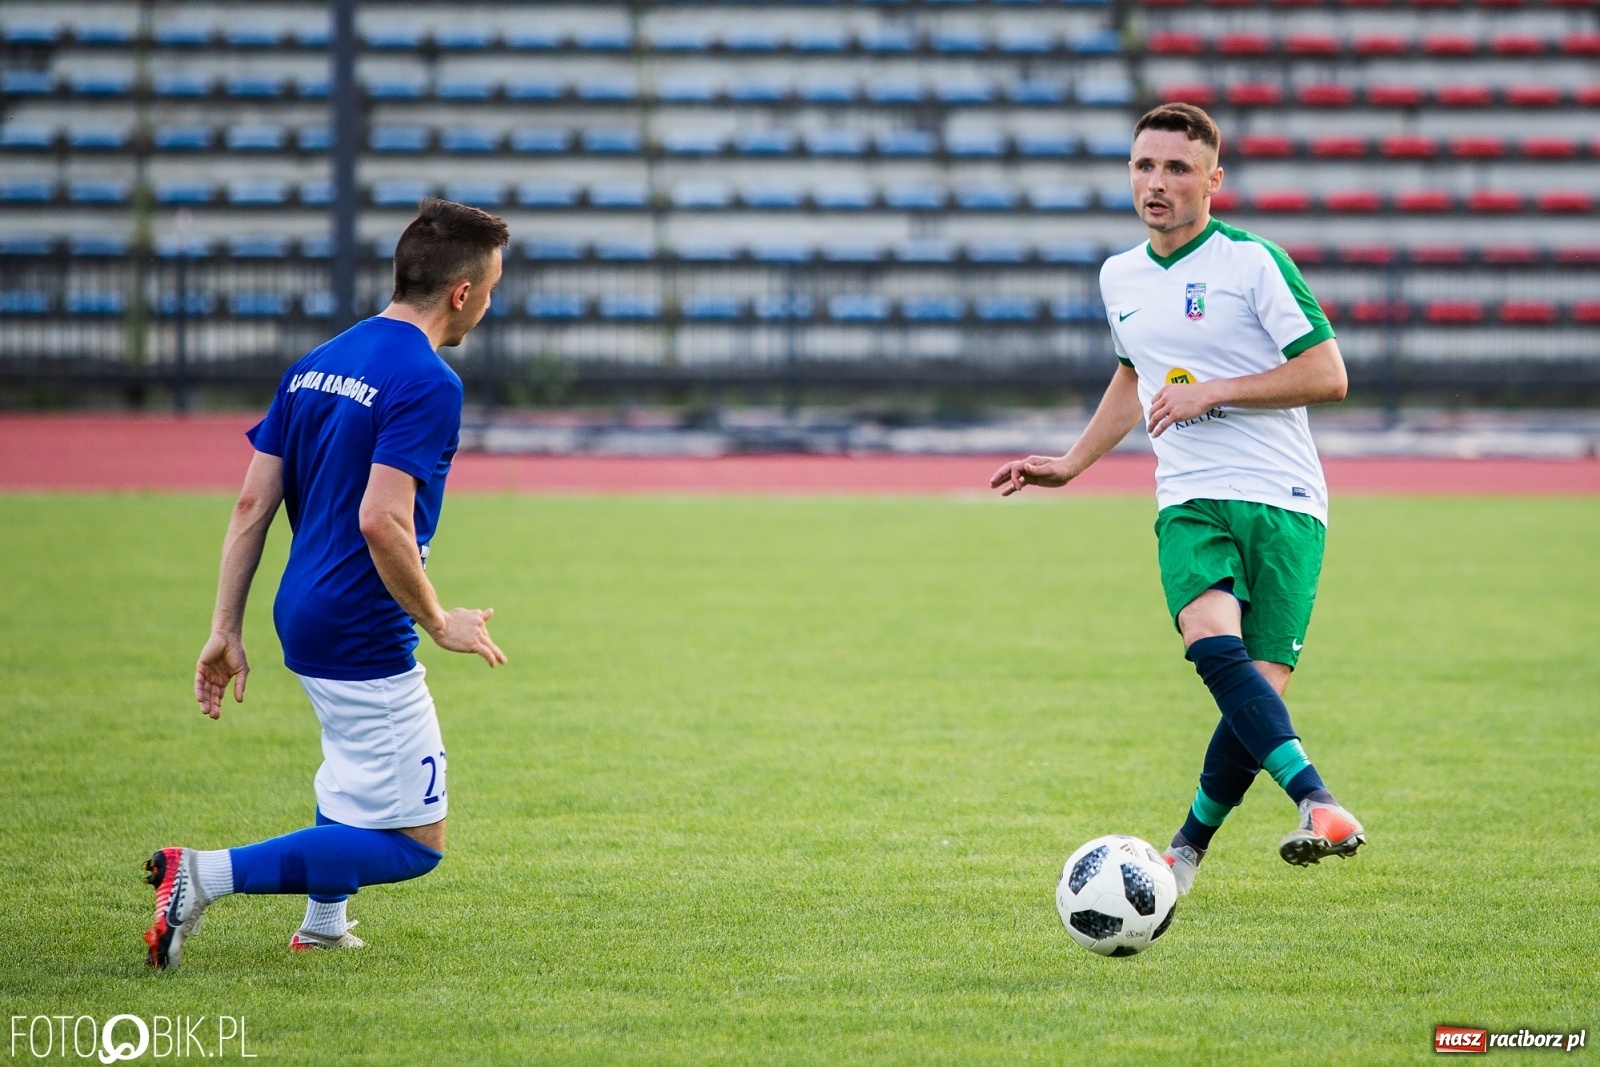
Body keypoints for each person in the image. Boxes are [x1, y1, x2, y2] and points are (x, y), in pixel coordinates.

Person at [989, 103, 1365, 895]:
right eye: (1143, 166)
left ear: (1212, 180)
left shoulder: (1254, 262)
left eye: (1176, 169)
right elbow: (1134, 374)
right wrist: (1071, 462)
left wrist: (1215, 393)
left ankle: (1184, 852)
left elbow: (1329, 374)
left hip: (1287, 499)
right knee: (1210, 642)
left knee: (1254, 697)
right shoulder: (1118, 276)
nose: (1155, 183)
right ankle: (1317, 801)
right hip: (1191, 495)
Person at [143, 199, 510, 968]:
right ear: (462, 294)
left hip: (298, 610)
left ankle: (322, 922)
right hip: (359, 624)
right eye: (493, 285)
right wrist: (440, 620)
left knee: (348, 774)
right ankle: (201, 876)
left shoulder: (317, 360)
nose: (491, 300)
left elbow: (252, 503)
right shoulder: (430, 381)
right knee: (417, 844)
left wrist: (224, 626)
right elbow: (383, 520)